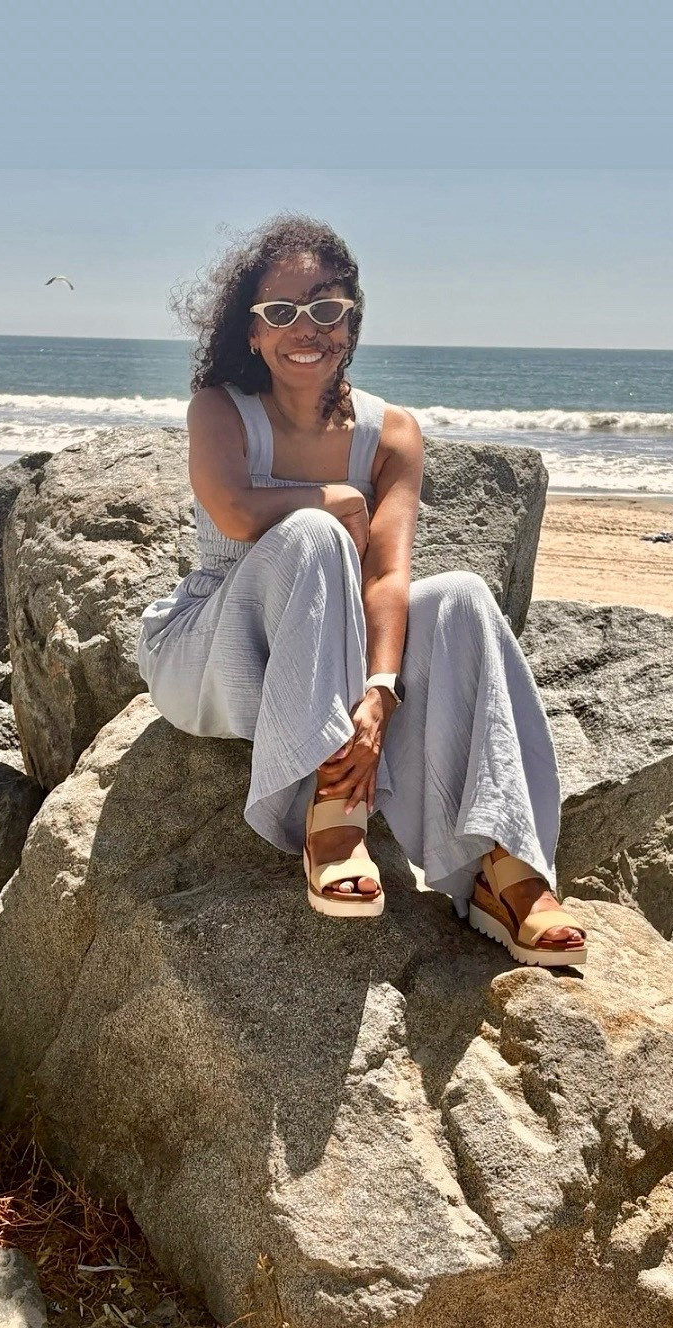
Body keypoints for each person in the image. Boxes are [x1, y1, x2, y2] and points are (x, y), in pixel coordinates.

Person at [136, 215, 586, 967]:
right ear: (251, 329)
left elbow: (386, 576)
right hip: (215, 649)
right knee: (315, 532)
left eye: (325, 307)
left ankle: (501, 865)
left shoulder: (393, 432)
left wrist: (380, 692)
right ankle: (334, 816)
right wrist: (335, 500)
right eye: (280, 310)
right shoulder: (220, 408)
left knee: (463, 597)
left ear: (351, 320)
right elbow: (236, 513)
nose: (304, 327)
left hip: (336, 655)